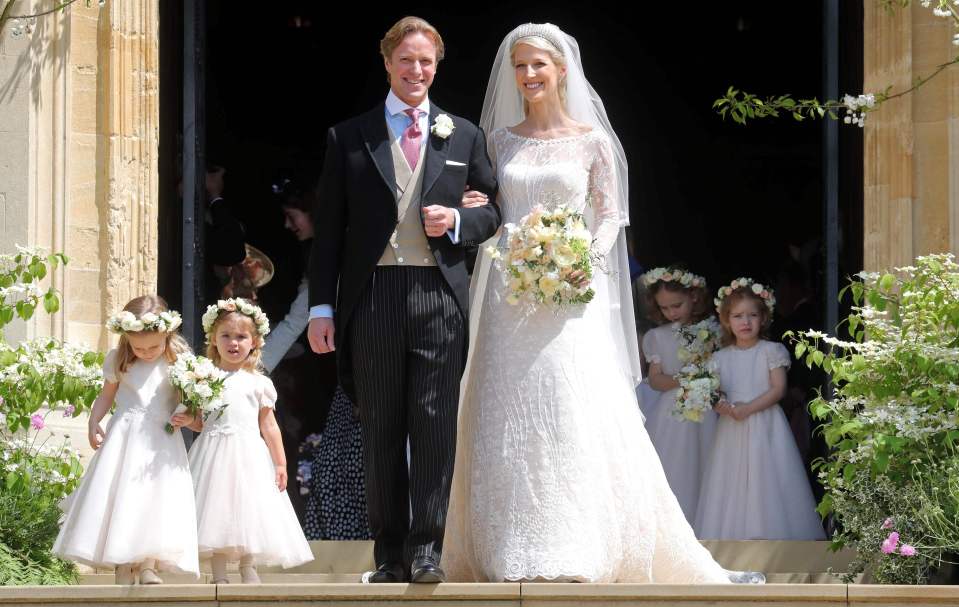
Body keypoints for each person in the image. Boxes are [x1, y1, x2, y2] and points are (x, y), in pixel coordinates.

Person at [442, 23, 761, 584]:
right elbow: (488, 210)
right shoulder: (499, 142)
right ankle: (508, 545)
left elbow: (611, 216)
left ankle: (576, 545)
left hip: (568, 294)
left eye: (538, 64)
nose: (528, 75)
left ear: (561, 70)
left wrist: (581, 259)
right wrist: (475, 209)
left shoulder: (591, 142)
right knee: (506, 411)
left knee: (571, 408)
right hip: (507, 296)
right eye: (519, 66)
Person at [306, 16, 501, 583]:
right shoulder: (349, 136)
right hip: (373, 295)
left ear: (437, 67)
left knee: (435, 424)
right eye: (407, 60)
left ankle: (427, 552)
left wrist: (459, 219)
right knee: (382, 426)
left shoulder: (462, 134)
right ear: (388, 62)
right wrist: (322, 307)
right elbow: (329, 229)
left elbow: (491, 211)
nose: (417, 71)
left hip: (439, 293)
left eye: (427, 62)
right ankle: (388, 553)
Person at [53, 295, 198, 585]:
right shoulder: (119, 360)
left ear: (167, 336)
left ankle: (148, 564)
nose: (146, 352)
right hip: (125, 436)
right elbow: (106, 395)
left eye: (154, 346)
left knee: (155, 498)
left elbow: (193, 407)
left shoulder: (180, 362)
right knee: (123, 496)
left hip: (161, 442)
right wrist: (94, 420)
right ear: (127, 340)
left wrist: (189, 419)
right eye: (139, 347)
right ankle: (122, 563)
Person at [179, 298, 313, 583]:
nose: (233, 342)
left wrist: (280, 463)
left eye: (241, 337)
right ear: (213, 339)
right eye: (226, 335)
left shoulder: (259, 382)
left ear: (254, 342)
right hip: (213, 451)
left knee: (249, 508)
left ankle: (247, 565)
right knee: (214, 510)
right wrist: (187, 420)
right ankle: (217, 571)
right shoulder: (204, 376)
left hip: (249, 452)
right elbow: (202, 422)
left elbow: (269, 425)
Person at [694, 278, 825, 540]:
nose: (745, 322)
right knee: (731, 477)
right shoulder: (719, 358)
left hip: (765, 421)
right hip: (732, 425)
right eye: (738, 316)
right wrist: (723, 407)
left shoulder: (771, 351)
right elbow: (713, 392)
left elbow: (778, 389)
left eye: (752, 315)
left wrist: (747, 409)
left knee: (767, 475)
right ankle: (733, 535)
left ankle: (768, 534)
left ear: (763, 318)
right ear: (726, 320)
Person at [261, 178, 338, 520]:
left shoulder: (331, 253)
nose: (287, 225)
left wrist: (256, 367)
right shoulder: (311, 253)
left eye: (293, 215)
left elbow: (296, 321)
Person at [638, 267, 717, 525]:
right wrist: (684, 381)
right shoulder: (656, 337)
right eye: (665, 308)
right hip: (673, 412)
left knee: (709, 462)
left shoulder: (713, 330)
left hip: (708, 407)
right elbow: (656, 379)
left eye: (676, 305)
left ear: (693, 297)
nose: (672, 312)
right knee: (676, 466)